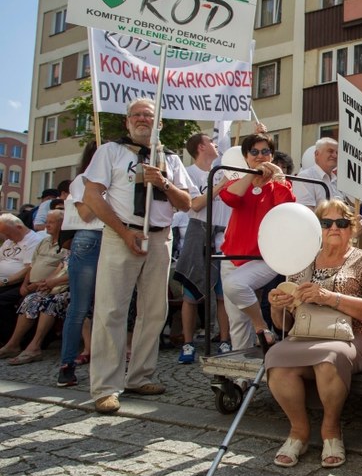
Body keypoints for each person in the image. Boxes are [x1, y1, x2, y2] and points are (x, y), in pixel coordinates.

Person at [82, 97, 193, 414]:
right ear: (127, 121)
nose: (143, 119)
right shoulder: (111, 152)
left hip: (159, 238)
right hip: (122, 235)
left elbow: (186, 203)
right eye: (136, 115)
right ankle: (105, 386)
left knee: (154, 311)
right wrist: (123, 231)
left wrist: (164, 182)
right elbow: (92, 195)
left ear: (159, 124)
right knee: (111, 310)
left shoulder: (170, 158)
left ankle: (140, 375)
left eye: (149, 115)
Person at [266, 198, 362, 468]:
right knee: (276, 358)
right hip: (305, 335)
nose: (334, 228)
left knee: (328, 358)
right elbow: (284, 324)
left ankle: (331, 430)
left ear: (352, 228)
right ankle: (299, 431)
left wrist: (330, 298)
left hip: (354, 336)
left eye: (341, 223)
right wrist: (277, 306)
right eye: (326, 223)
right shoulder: (302, 260)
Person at [219, 133, 294, 350]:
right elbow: (230, 198)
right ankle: (241, 377)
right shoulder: (238, 181)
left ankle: (260, 326)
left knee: (235, 286)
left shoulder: (278, 185)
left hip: (265, 257)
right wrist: (251, 175)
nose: (261, 156)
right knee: (237, 320)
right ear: (246, 157)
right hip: (232, 257)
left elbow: (287, 208)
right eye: (254, 152)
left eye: (265, 152)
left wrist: (278, 179)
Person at [174, 133, 232, 363]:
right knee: (191, 295)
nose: (216, 144)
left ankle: (225, 340)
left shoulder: (222, 171)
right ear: (200, 146)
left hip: (222, 236)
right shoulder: (188, 173)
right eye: (211, 141)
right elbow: (195, 204)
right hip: (198, 235)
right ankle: (188, 344)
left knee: (221, 295)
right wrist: (220, 185)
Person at [56, 141, 104, 387]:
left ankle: (107, 366)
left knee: (110, 308)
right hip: (88, 237)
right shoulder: (82, 180)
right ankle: (67, 364)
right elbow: (86, 214)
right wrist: (103, 193)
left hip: (111, 238)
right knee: (80, 307)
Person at [0, 209, 68, 364]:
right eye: (47, 221)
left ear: (62, 224)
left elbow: (63, 268)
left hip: (54, 287)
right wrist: (26, 283)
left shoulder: (66, 244)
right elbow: (32, 265)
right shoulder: (44, 241)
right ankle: (13, 344)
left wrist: (40, 284)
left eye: (51, 222)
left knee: (37, 300)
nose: (46, 225)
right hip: (34, 284)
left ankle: (33, 344)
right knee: (30, 299)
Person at [0, 214, 47, 345]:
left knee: (2, 301)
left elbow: (28, 269)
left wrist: (5, 281)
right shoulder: (9, 241)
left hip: (18, 282)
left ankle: (9, 339)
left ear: (19, 227)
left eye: (8, 234)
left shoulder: (33, 241)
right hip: (6, 281)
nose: (6, 237)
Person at [296, 138, 343, 208]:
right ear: (317, 154)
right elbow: (307, 211)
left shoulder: (338, 181)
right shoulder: (305, 177)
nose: (335, 155)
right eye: (330, 151)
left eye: (337, 153)